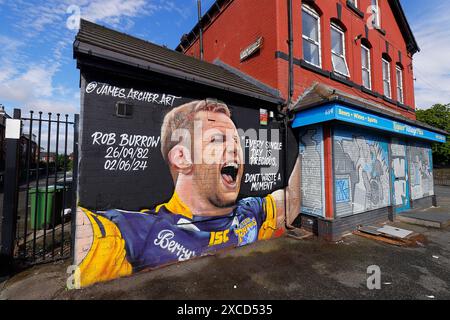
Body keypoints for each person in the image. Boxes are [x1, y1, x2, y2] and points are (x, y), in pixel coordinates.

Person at [76, 99, 300, 287]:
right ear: (181, 157)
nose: (235, 149)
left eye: (235, 140)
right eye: (217, 139)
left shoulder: (252, 211)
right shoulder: (132, 233)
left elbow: (293, 198)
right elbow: (86, 234)